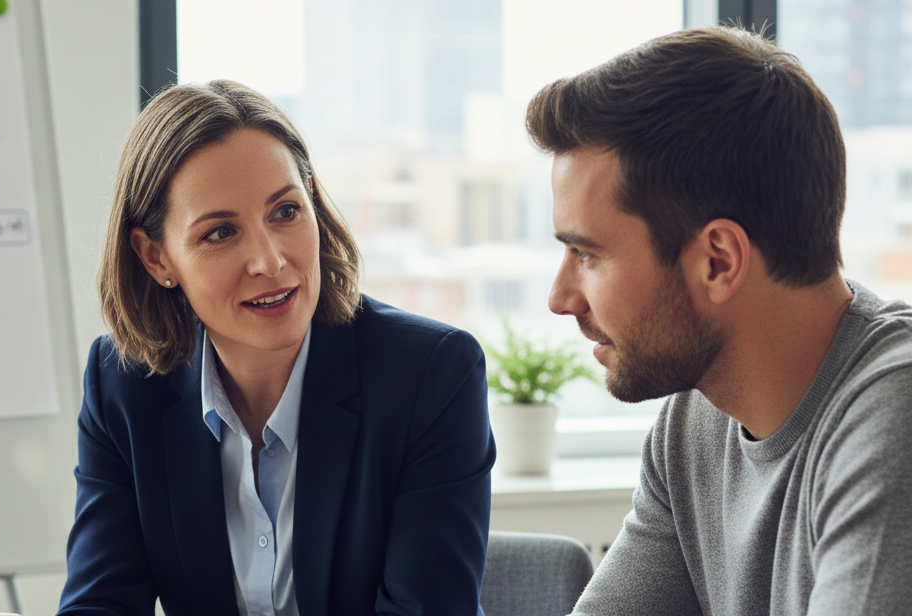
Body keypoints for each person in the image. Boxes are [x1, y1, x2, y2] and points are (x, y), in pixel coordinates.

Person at [49, 80, 494, 615]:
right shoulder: (122, 384)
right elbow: (101, 604)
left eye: (285, 212)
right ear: (155, 258)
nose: (270, 261)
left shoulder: (430, 375)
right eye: (219, 233)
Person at [527, 26, 912, 615]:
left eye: (587, 254)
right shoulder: (694, 423)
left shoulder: (893, 416)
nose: (561, 298)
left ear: (718, 261)